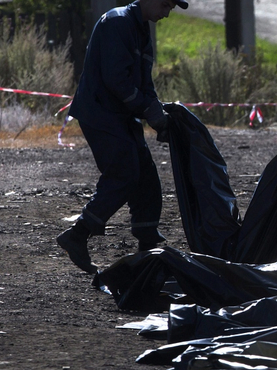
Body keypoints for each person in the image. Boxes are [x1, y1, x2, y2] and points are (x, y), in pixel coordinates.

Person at [56, 0, 188, 274]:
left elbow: (144, 83)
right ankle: (77, 235)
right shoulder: (116, 23)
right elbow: (116, 80)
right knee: (124, 173)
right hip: (100, 113)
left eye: (171, 8)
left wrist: (157, 112)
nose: (166, 13)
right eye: (165, 5)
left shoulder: (140, 30)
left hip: (121, 116)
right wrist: (147, 109)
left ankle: (149, 242)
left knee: (147, 175)